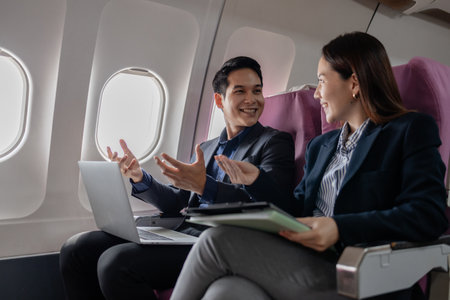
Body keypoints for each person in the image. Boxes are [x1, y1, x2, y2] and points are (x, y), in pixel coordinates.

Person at [170, 32, 448, 300]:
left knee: (215, 242)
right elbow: (296, 210)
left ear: (353, 84)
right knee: (228, 291)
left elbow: (429, 214)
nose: (316, 94)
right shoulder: (321, 146)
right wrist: (257, 181)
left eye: (322, 81)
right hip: (305, 259)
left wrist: (338, 227)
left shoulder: (409, 130)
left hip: (359, 273)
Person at [59, 56, 295, 300]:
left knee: (115, 263)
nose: (251, 100)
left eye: (257, 91)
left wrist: (207, 187)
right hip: (182, 233)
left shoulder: (274, 142)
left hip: (219, 244)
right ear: (219, 100)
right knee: (76, 249)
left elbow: (273, 205)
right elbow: (177, 202)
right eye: (240, 91)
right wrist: (140, 178)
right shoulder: (208, 146)